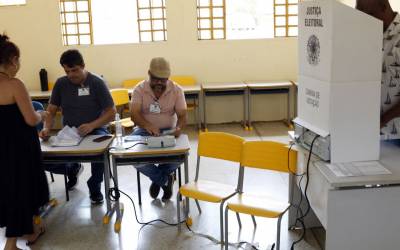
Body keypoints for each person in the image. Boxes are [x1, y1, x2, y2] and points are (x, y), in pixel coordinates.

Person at [39, 49, 116, 204]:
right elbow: (51, 111)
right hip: (70, 132)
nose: (71, 75)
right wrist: (47, 128)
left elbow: (111, 112)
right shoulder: (61, 83)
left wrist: (92, 125)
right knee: (43, 158)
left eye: (74, 70)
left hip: (96, 129)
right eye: (67, 71)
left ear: (83, 66)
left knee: (100, 154)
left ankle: (95, 186)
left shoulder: (96, 83)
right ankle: (72, 169)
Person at [0, 34, 49, 250]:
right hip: (19, 147)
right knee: (22, 189)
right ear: (12, 60)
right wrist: (43, 115)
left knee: (7, 189)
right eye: (18, 60)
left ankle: (30, 229)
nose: (19, 65)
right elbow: (30, 118)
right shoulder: (14, 84)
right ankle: (11, 243)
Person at [130, 57, 187, 201]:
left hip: (169, 131)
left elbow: (182, 116)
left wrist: (178, 128)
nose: (160, 83)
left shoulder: (176, 90)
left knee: (180, 157)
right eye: (156, 79)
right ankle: (165, 180)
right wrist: (148, 125)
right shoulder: (139, 89)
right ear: (149, 73)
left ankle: (157, 180)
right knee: (134, 157)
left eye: (163, 79)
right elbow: (134, 115)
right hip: (144, 131)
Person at [356, 0, 400, 136]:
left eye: (369, 14)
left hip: (395, 136)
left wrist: (382, 120)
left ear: (383, 7)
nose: (363, 20)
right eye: (359, 14)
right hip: (367, 131)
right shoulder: (366, 34)